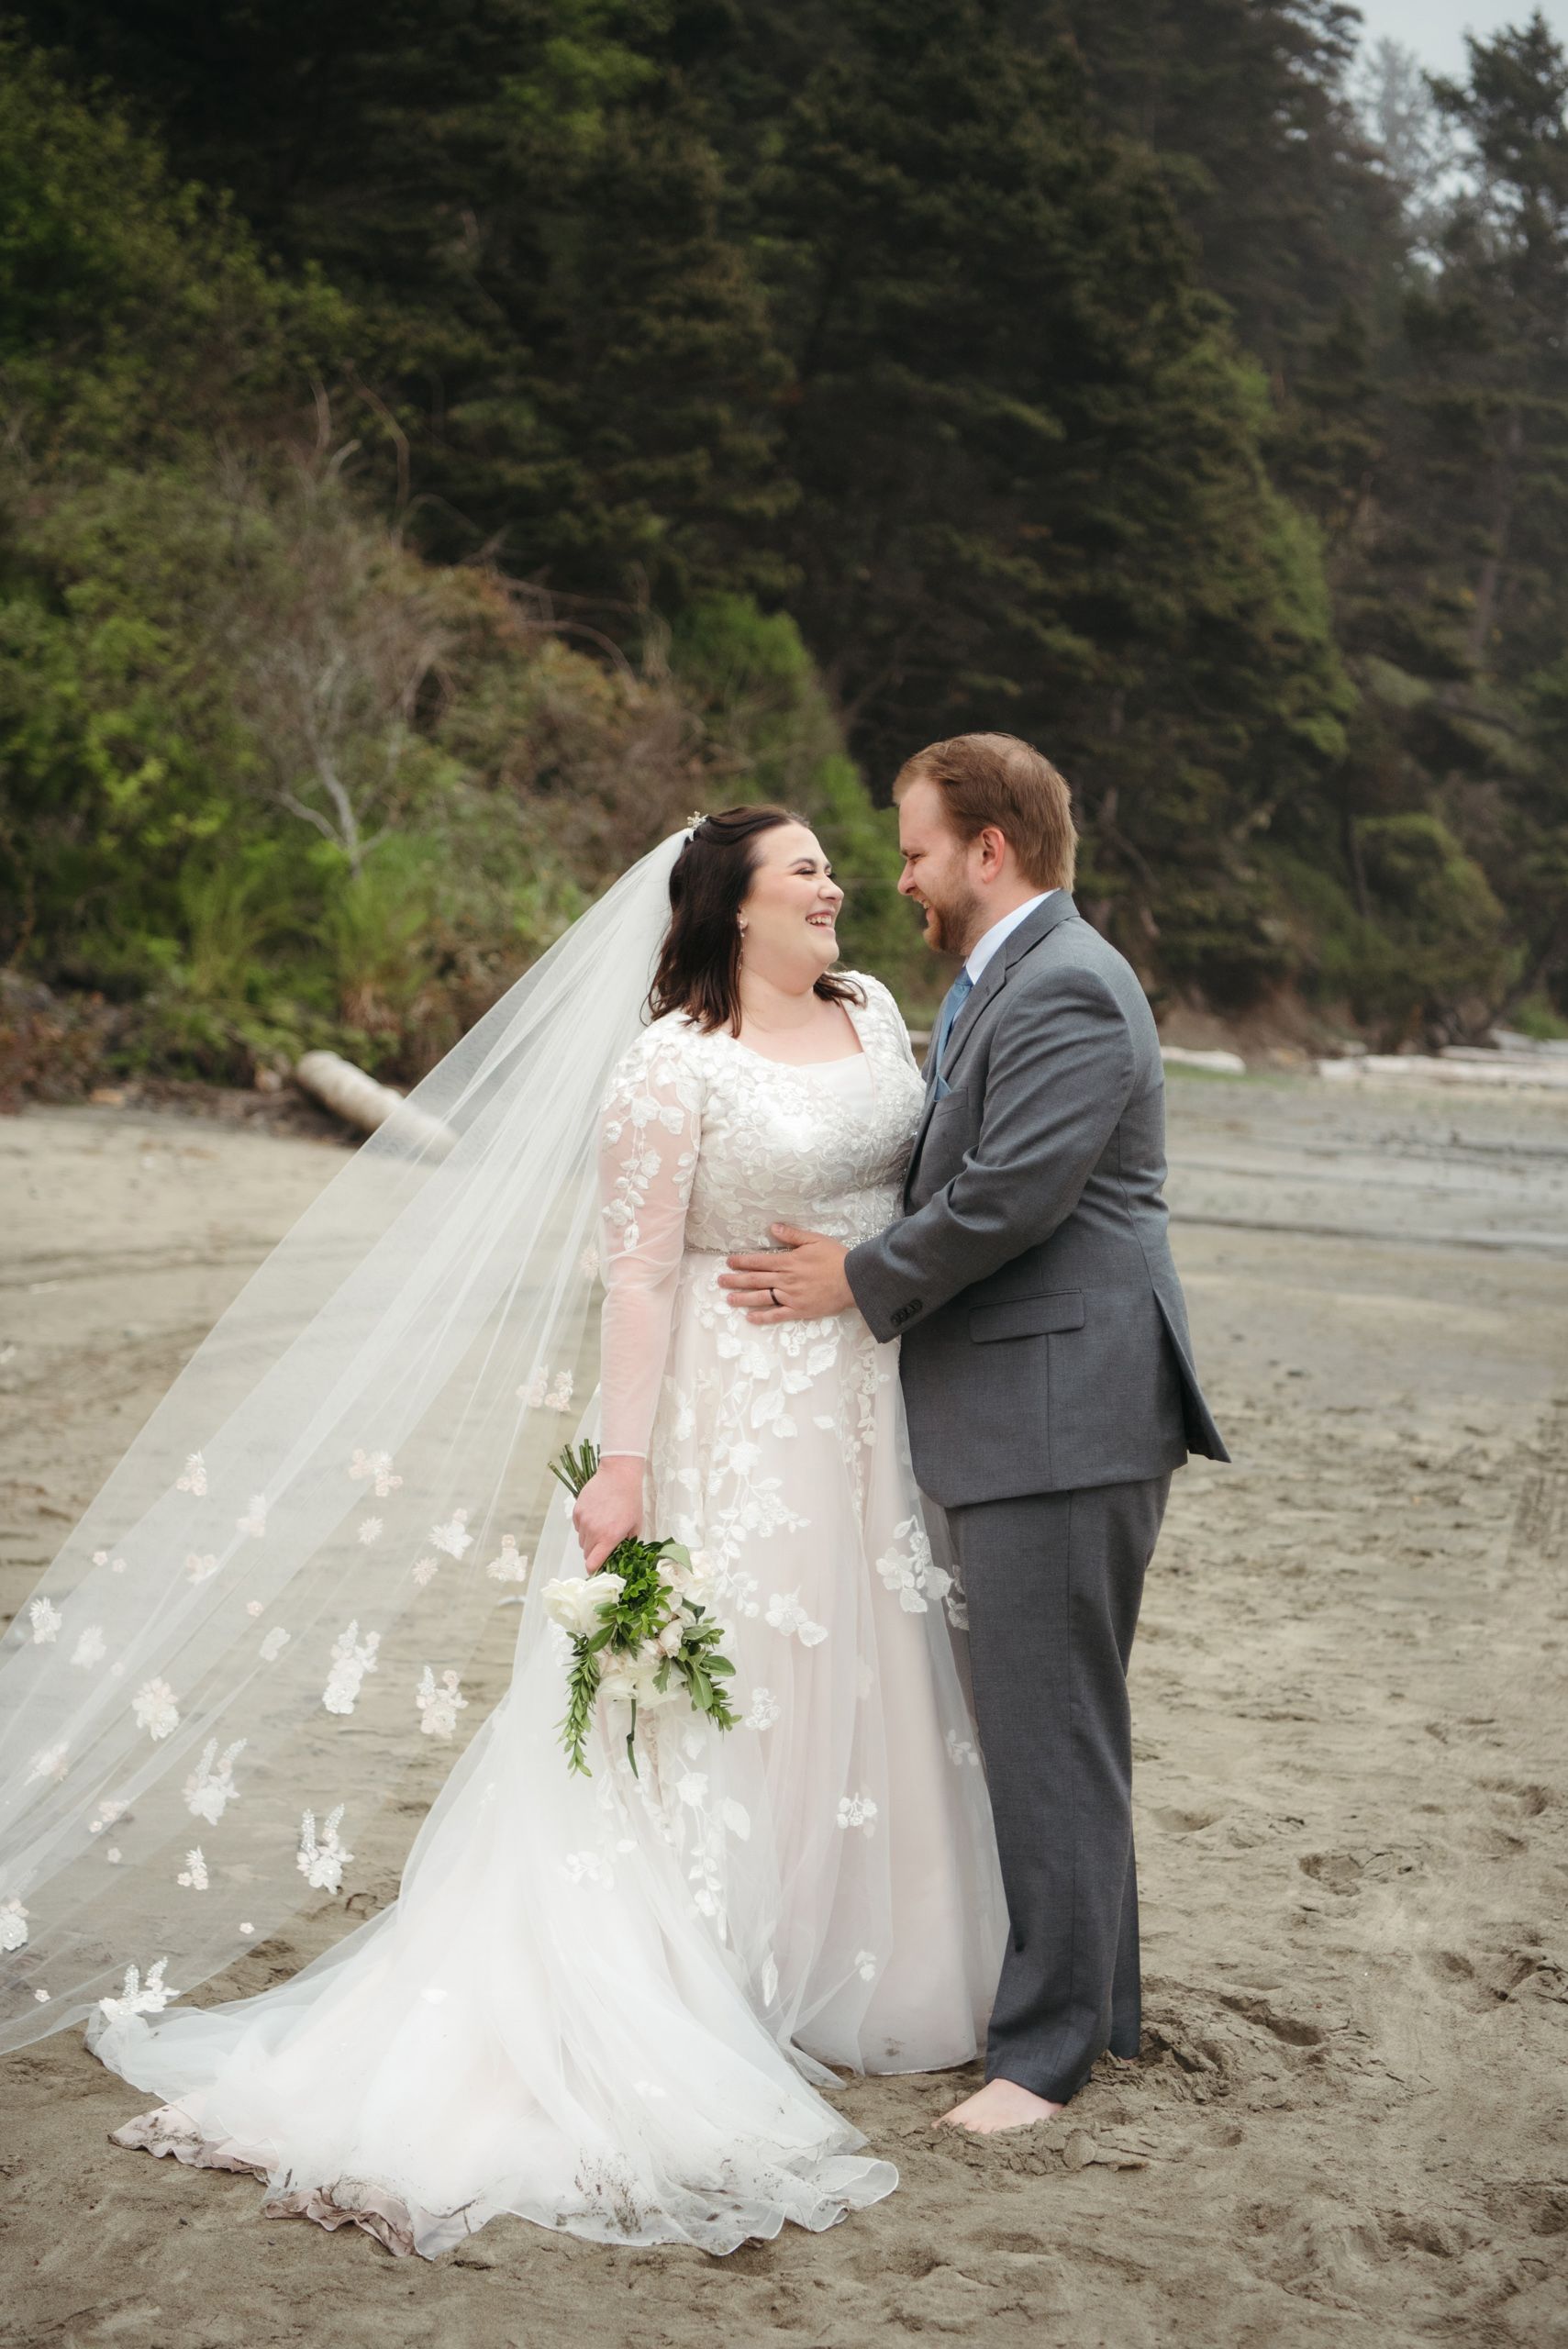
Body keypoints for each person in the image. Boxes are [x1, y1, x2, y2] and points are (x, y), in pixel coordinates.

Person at [6, 807, 1006, 2257]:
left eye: (829, 867)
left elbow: (909, 1198)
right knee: (726, 1689)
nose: (835, 884)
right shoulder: (669, 1067)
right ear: (735, 906)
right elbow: (642, 1280)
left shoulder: (870, 1010)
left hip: (867, 1405)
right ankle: (707, 1979)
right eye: (804, 869)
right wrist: (623, 1467)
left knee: (862, 1671)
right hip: (733, 1415)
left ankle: (857, 1971)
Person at [721, 734, 1229, 2134]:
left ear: (987, 851)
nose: (900, 878)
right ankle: (1095, 2013)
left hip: (1062, 1410)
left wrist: (854, 1278)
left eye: (916, 850)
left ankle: (1044, 2058)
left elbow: (1011, 1197)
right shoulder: (1008, 977)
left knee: (1045, 1729)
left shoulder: (1066, 985)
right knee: (1058, 1719)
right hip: (1037, 1403)